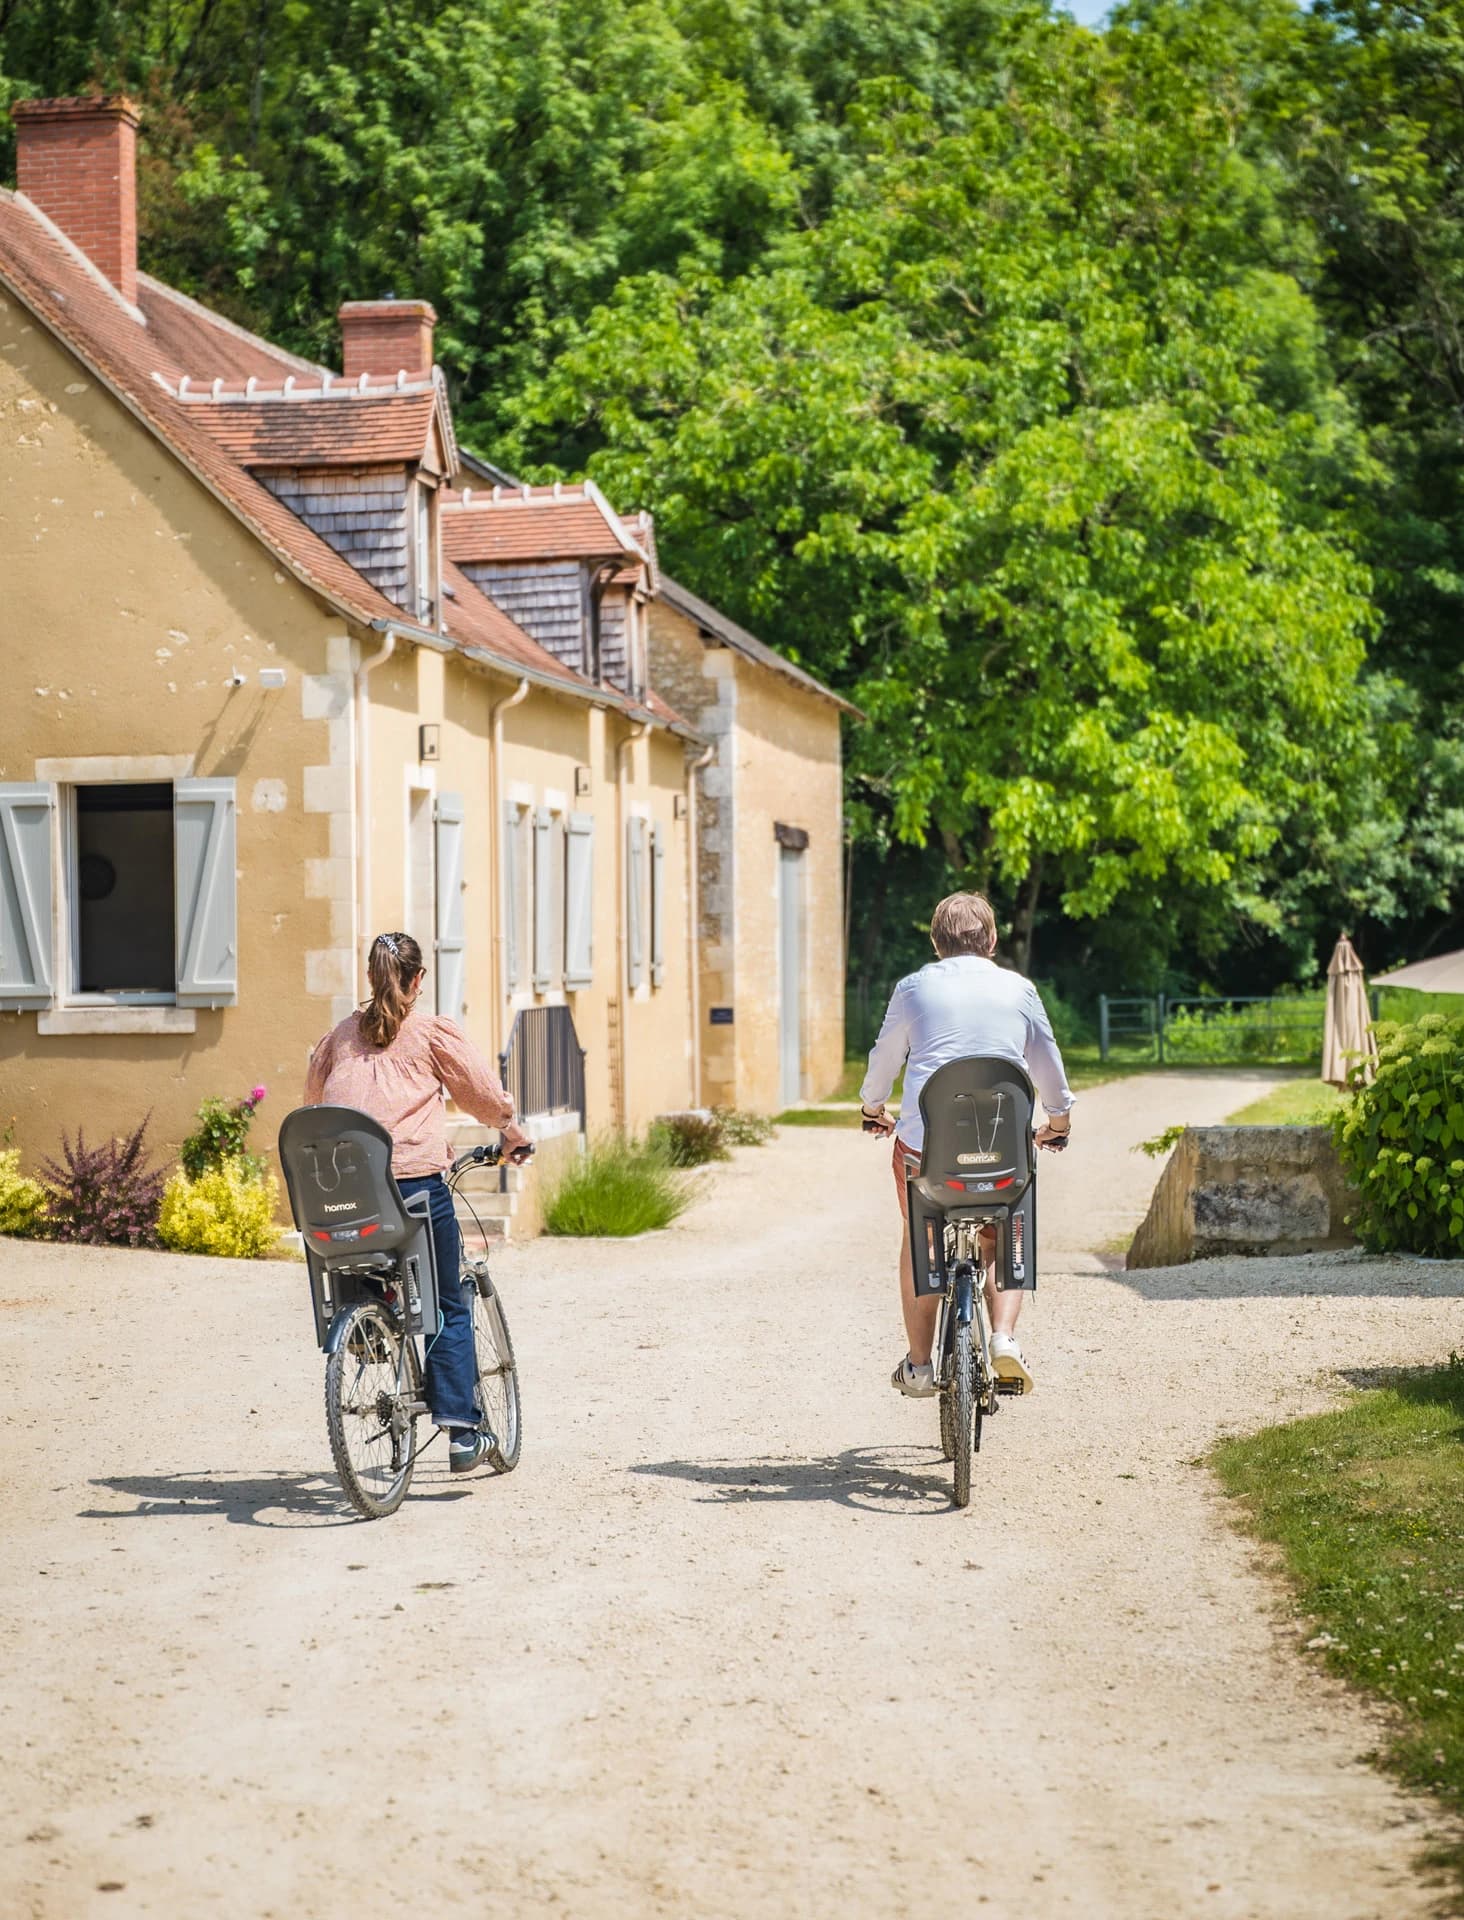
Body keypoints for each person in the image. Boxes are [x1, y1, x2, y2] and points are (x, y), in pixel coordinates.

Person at [304, 932, 532, 1474]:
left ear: (370, 977)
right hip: (413, 1191)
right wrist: (509, 1129)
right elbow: (480, 1092)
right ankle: (460, 1429)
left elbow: (313, 1105)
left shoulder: (337, 1038)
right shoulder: (429, 1033)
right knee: (448, 1300)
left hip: (340, 1198)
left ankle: (370, 1326)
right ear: (418, 981)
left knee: (372, 1264)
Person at [859, 891, 1074, 1398]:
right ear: (994, 940)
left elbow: (884, 1058)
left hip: (926, 1155)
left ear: (936, 943)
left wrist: (873, 1108)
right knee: (1004, 1233)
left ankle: (918, 1365)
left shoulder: (912, 990)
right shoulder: (1019, 990)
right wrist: (1058, 1122)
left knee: (921, 1239)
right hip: (1004, 1154)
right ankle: (1004, 1339)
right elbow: (1048, 1065)